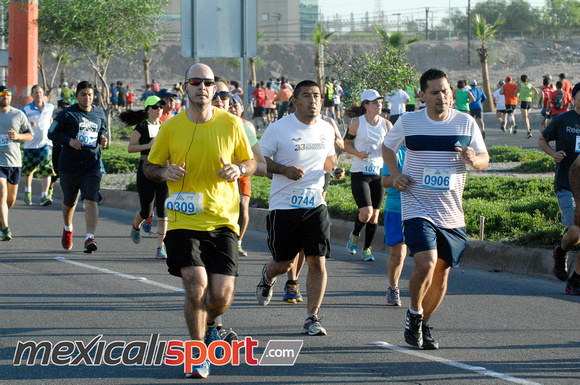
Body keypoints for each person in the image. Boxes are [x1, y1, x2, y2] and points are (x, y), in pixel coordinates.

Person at [143, 63, 256, 379]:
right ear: (185, 88)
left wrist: (240, 169)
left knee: (220, 296)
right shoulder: (171, 128)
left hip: (222, 220)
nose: (203, 87)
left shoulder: (231, 124)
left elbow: (250, 160)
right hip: (182, 219)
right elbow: (150, 167)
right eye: (196, 82)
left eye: (208, 83)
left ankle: (209, 326)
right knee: (196, 285)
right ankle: (197, 354)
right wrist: (164, 172)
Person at [382, 68, 489, 350]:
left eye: (445, 91)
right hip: (417, 205)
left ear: (451, 93)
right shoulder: (408, 121)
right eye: (434, 92)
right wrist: (394, 175)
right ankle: (414, 313)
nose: (441, 96)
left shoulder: (466, 123)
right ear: (422, 95)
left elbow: (484, 157)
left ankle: (424, 323)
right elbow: (387, 148)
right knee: (426, 263)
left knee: (442, 273)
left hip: (452, 213)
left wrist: (473, 160)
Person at [255, 80, 342, 336]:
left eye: (317, 96)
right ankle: (268, 275)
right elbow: (259, 160)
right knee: (284, 263)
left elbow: (329, 160)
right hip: (284, 206)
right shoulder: (278, 128)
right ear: (295, 101)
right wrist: (284, 170)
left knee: (317, 261)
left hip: (315, 203)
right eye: (307, 96)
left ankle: (311, 317)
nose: (313, 100)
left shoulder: (326, 129)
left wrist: (334, 170)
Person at [48, 81, 108, 253]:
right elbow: (51, 133)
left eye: (90, 94)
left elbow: (102, 129)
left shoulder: (99, 113)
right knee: (70, 202)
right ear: (77, 96)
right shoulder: (66, 114)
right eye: (83, 94)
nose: (87, 97)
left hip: (92, 164)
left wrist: (103, 138)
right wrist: (69, 141)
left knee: (91, 199)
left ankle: (90, 237)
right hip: (69, 166)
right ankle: (68, 229)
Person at [538, 82, 580, 296]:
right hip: (565, 184)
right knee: (575, 232)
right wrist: (552, 154)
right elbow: (542, 139)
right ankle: (561, 252)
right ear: (573, 98)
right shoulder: (563, 119)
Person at [344, 89, 390, 261]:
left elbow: (393, 145)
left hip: (378, 173)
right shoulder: (357, 123)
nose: (379, 105)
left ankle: (367, 249)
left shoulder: (386, 124)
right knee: (366, 213)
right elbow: (345, 144)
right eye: (375, 102)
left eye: (380, 102)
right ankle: (354, 235)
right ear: (366, 105)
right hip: (360, 173)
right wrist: (358, 153)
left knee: (375, 216)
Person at [122, 95, 168, 259]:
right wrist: (148, 145)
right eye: (155, 107)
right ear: (148, 110)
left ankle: (160, 247)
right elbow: (130, 148)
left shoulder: (165, 127)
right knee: (147, 210)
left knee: (163, 211)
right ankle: (136, 225)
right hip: (145, 168)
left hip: (163, 169)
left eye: (161, 107)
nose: (159, 110)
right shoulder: (141, 126)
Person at [228, 93, 267, 258]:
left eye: (235, 105)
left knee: (244, 207)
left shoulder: (248, 126)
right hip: (225, 171)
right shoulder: (220, 124)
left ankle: (238, 242)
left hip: (243, 171)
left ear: (242, 109)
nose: (232, 108)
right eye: (230, 105)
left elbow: (256, 156)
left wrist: (244, 165)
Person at [0, 86, 33, 240]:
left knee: (10, 199)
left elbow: (29, 135)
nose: (5, 97)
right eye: (2, 94)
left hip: (14, 162)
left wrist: (18, 136)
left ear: (11, 97)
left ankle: (2, 218)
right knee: (2, 193)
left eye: (7, 94)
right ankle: (6, 229)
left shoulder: (18, 114)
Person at [21, 85, 56, 206]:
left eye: (40, 92)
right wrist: (28, 124)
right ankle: (28, 191)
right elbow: (20, 125)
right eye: (35, 92)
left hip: (45, 143)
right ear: (32, 95)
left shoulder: (50, 107)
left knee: (46, 170)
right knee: (28, 171)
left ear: (43, 94)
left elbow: (52, 120)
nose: (38, 94)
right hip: (30, 145)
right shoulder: (25, 109)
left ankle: (44, 195)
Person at [381, 146, 407, 306]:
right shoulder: (396, 152)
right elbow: (384, 181)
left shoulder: (427, 149)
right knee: (398, 254)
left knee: (426, 256)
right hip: (398, 209)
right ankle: (393, 287)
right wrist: (398, 179)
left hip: (423, 208)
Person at [516, 75, 539, 139]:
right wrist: (532, 96)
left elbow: (516, 94)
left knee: (525, 118)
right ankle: (529, 128)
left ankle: (528, 132)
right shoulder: (530, 85)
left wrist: (518, 94)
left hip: (523, 102)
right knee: (526, 117)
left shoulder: (520, 85)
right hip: (529, 102)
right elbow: (537, 92)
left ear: (521, 79)